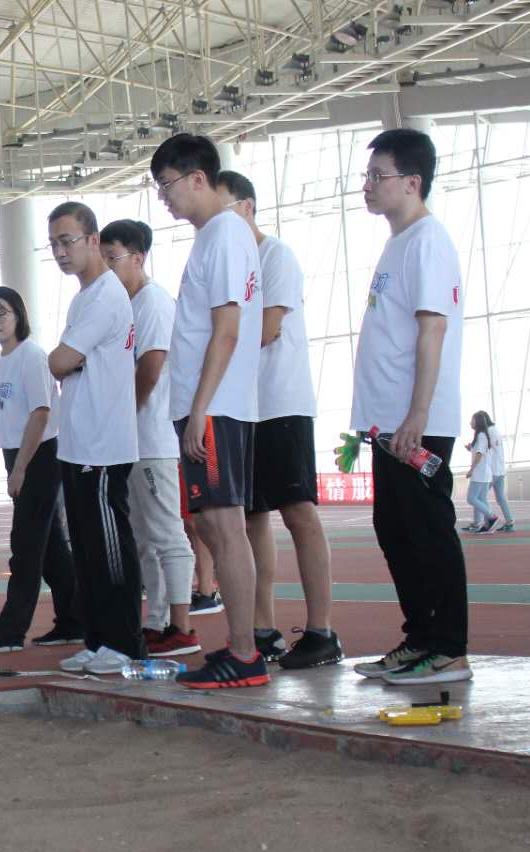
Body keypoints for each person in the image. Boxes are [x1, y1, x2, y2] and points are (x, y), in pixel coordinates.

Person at [351, 128, 471, 686]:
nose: (368, 185)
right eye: (367, 175)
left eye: (379, 175)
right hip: (387, 422)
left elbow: (432, 330)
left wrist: (417, 416)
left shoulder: (427, 241)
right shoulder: (398, 243)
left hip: (415, 422)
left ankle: (448, 648)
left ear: (412, 182)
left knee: (426, 529)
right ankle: (420, 637)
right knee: (395, 529)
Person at [150, 133, 267, 690]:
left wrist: (199, 409)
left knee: (224, 527)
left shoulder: (222, 234)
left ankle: (244, 652)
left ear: (199, 178)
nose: (164, 198)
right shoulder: (218, 236)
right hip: (211, 405)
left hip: (214, 407)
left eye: (168, 185)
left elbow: (227, 330)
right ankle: (241, 646)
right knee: (216, 528)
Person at [215, 170, 342, 669]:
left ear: (247, 207)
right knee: (252, 518)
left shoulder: (276, 256)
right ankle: (263, 628)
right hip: (246, 407)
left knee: (298, 512)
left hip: (282, 403)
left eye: (225, 210)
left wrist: (216, 347)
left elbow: (266, 329)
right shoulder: (234, 265)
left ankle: (321, 630)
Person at [43, 202, 145, 676]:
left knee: (109, 545)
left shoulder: (105, 295)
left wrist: (69, 360)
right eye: (53, 244)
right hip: (78, 442)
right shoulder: (82, 298)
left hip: (103, 444)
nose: (60, 252)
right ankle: (98, 638)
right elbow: (65, 362)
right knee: (85, 549)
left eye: (67, 241)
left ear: (93, 240)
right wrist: (69, 360)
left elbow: (59, 361)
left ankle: (124, 642)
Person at [0, 285, 85, 655]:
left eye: (2, 313)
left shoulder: (31, 356)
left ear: (19, 315)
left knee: (26, 547)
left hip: (40, 454)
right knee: (51, 549)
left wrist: (20, 469)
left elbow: (41, 413)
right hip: (16, 453)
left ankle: (10, 631)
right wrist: (12, 464)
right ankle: (74, 621)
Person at [99, 220, 200, 659]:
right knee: (143, 536)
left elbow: (152, 365)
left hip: (153, 437)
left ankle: (182, 625)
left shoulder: (153, 302)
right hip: (134, 441)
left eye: (113, 258)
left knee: (166, 532)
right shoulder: (124, 305)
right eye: (102, 258)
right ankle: (157, 621)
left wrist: (125, 414)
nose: (106, 266)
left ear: (137, 258)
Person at [463, 411, 503, 533]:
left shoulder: (481, 435)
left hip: (480, 473)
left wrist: (471, 469)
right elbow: (480, 451)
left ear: (478, 421)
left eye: (472, 420)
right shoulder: (482, 435)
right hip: (485, 473)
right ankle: (486, 523)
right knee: (482, 499)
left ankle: (491, 517)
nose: (470, 422)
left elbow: (479, 454)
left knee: (471, 498)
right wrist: (471, 449)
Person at [486, 412, 514, 531]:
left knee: (478, 497)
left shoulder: (488, 432)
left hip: (492, 471)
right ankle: (509, 521)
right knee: (501, 498)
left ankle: (488, 521)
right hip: (500, 470)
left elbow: (486, 450)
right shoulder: (496, 431)